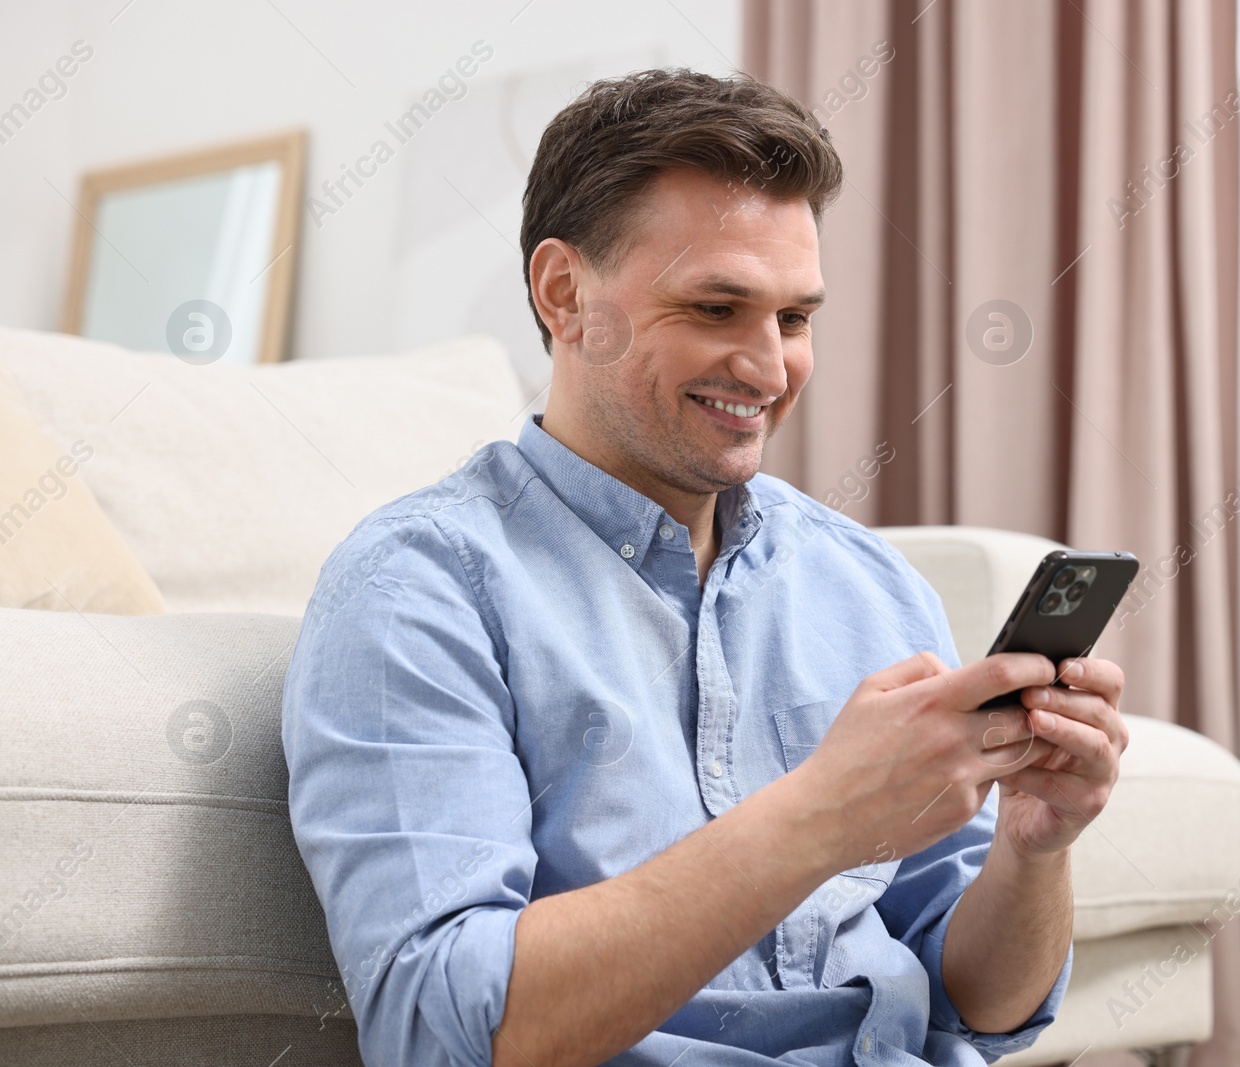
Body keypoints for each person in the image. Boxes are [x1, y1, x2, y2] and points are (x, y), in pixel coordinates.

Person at [281, 68, 1128, 1067]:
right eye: (717, 307)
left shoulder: (867, 583)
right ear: (566, 294)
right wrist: (816, 818)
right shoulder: (418, 589)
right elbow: (444, 1030)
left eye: (795, 318)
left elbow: (972, 1007)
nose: (769, 369)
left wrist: (1034, 848)